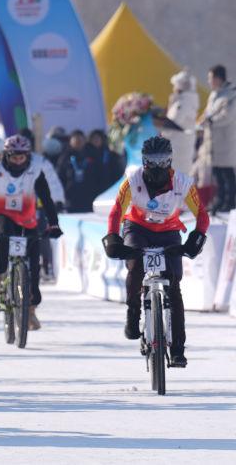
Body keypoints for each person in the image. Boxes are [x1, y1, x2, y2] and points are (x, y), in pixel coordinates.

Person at [102, 136, 208, 367]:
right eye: (152, 160)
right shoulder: (132, 180)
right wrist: (112, 236)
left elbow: (202, 214)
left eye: (162, 160)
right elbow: (117, 211)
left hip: (168, 231)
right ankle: (133, 312)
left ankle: (178, 349)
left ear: (170, 160)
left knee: (174, 285)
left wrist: (197, 236)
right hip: (137, 228)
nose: (157, 165)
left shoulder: (183, 183)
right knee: (136, 266)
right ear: (144, 161)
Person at [0, 135, 62, 329]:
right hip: (0, 214)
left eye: (22, 157)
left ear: (27, 156)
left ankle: (31, 309)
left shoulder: (35, 172)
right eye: (14, 157)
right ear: (6, 156)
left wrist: (53, 224)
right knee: (3, 236)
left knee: (34, 262)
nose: (18, 161)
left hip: (26, 218)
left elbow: (47, 199)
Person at [199, 64, 236, 213]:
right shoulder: (214, 94)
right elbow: (208, 112)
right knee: (217, 172)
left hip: (226, 140)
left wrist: (210, 121)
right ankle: (220, 200)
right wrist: (202, 120)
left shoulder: (231, 94)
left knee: (227, 172)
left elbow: (227, 116)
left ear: (218, 78)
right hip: (213, 141)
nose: (209, 81)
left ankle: (230, 201)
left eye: (210, 78)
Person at [57, 130, 100, 212]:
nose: (78, 143)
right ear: (70, 142)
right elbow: (60, 178)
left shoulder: (92, 154)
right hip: (71, 199)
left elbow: (100, 175)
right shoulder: (65, 157)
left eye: (80, 140)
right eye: (76, 141)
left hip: (90, 198)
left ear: (85, 141)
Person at [165, 69, 199, 175]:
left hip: (177, 148)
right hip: (181, 146)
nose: (173, 88)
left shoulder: (183, 104)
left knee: (176, 178)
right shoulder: (187, 102)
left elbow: (172, 125)